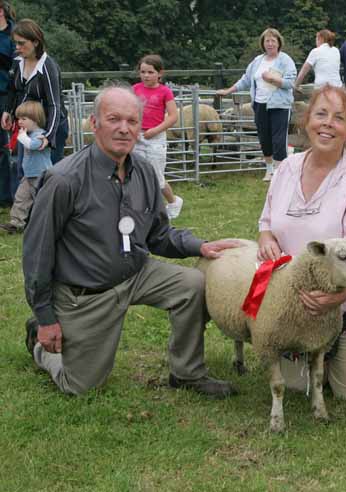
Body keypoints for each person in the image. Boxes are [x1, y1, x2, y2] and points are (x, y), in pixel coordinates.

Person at [22, 83, 240, 397]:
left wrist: (199, 245)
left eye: (132, 121)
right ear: (94, 124)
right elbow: (36, 253)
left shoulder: (146, 174)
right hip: (87, 293)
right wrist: (45, 317)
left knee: (192, 284)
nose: (124, 129)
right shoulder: (63, 180)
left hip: (135, 273)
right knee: (80, 386)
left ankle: (187, 372)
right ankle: (41, 348)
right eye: (114, 120)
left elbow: (158, 236)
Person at [258, 85, 346, 401]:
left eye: (339, 118)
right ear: (306, 121)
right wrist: (265, 235)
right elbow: (267, 221)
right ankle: (312, 353)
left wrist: (338, 296)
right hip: (297, 304)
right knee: (297, 387)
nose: (327, 123)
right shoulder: (286, 168)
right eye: (321, 114)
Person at [216, 28, 296, 182]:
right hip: (260, 104)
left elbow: (291, 82)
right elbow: (245, 80)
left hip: (280, 105)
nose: (270, 44)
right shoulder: (257, 61)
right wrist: (228, 90)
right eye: (267, 41)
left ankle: (280, 172)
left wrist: (273, 79)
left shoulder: (285, 60)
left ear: (279, 43)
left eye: (273, 41)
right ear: (263, 43)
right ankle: (269, 170)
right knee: (264, 138)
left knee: (279, 139)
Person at [1, 19, 69, 170]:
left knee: (49, 177)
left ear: (36, 42)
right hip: (27, 128)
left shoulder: (48, 67)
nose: (17, 47)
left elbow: (54, 105)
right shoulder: (17, 62)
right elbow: (13, 89)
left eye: (22, 43)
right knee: (23, 174)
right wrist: (8, 110)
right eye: (15, 43)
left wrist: (48, 137)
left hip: (51, 128)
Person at [132, 54, 182, 220]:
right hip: (136, 137)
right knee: (136, 173)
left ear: (160, 73)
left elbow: (173, 116)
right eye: (143, 72)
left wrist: (155, 130)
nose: (146, 75)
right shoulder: (135, 89)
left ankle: (173, 201)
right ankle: (144, 208)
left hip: (155, 138)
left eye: (150, 72)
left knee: (156, 177)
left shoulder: (164, 92)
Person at [0, 101, 50, 234]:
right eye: (18, 119)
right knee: (21, 198)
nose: (20, 122)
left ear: (35, 119)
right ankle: (16, 223)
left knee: (42, 200)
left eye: (24, 119)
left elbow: (32, 145)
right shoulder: (27, 135)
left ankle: (47, 223)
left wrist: (21, 137)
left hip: (40, 175)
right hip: (28, 175)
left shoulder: (41, 135)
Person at [0, 1, 15, 207]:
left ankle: (5, 195)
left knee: (4, 146)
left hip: (5, 93)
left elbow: (17, 63)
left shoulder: (15, 34)